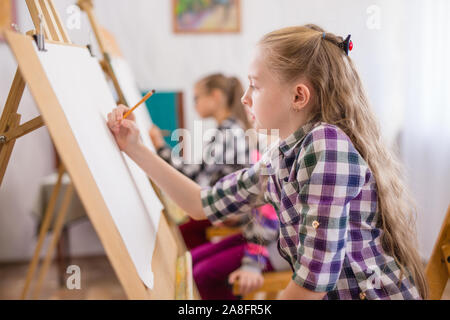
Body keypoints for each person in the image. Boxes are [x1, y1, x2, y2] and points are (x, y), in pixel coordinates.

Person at [107, 24, 428, 299]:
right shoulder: (283, 156)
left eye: (256, 85)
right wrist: (134, 148)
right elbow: (200, 203)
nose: (245, 98)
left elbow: (312, 284)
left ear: (298, 97)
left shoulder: (327, 145)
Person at [149, 74, 251, 249]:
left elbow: (194, 175)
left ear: (216, 97)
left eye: (197, 98)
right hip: (230, 207)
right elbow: (202, 175)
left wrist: (160, 147)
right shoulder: (231, 128)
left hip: (232, 212)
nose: (194, 104)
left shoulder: (228, 132)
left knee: (178, 233)